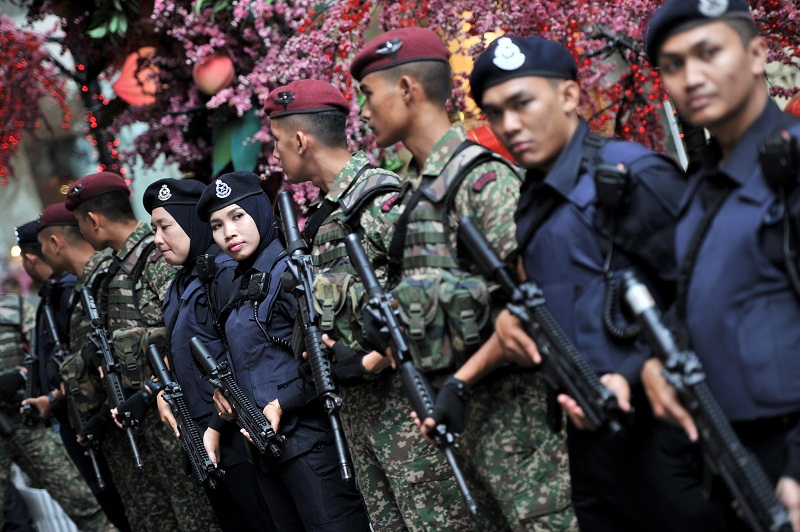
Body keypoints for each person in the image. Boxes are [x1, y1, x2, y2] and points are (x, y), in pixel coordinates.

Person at [465, 34, 729, 531]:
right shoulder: (533, 198)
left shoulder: (631, 174)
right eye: (495, 112)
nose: (509, 125)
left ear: (568, 96)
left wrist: (631, 371)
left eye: (523, 103)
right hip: (591, 444)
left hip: (670, 434)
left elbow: (713, 294)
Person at [350, 26, 575, 531]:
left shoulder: (481, 179)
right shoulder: (421, 191)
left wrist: (460, 381)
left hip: (523, 429)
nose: (363, 112)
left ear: (407, 89)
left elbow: (536, 305)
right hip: (471, 427)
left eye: (368, 95)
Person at [266, 78, 470, 531]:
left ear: (301, 140)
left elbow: (432, 294)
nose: (275, 154)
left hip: (407, 411)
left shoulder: (377, 198)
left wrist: (372, 360)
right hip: (362, 421)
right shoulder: (323, 216)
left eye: (278, 142)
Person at [644, 0, 800, 527]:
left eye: (709, 53)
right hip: (736, 462)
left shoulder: (791, 164)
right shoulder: (703, 184)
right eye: (672, 65)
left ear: (757, 54)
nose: (691, 77)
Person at [196, 171, 371, 532]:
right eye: (217, 225)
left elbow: (326, 360)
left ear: (259, 211)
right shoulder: (240, 281)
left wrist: (281, 404)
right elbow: (251, 355)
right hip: (265, 452)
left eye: (237, 216)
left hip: (309, 445)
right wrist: (223, 396)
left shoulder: (290, 271)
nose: (228, 232)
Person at [65, 171, 217, 531]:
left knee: (200, 517)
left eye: (81, 224)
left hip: (174, 408)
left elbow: (183, 328)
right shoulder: (121, 266)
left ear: (93, 220)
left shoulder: (153, 256)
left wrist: (150, 386)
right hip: (149, 417)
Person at [142, 177, 276, 532]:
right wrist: (160, 391)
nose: (157, 239)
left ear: (188, 222)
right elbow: (179, 353)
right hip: (207, 442)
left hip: (239, 436)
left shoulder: (224, 271)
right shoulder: (180, 283)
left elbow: (241, 353)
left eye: (164, 226)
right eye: (154, 228)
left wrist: (216, 426)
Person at [0, 221, 108, 532]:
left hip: (22, 419)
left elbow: (42, 355)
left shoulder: (11, 309)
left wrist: (18, 377)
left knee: (85, 504)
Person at [35, 202, 131, 531]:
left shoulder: (103, 278)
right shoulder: (80, 287)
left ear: (55, 243)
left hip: (127, 419)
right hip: (106, 427)